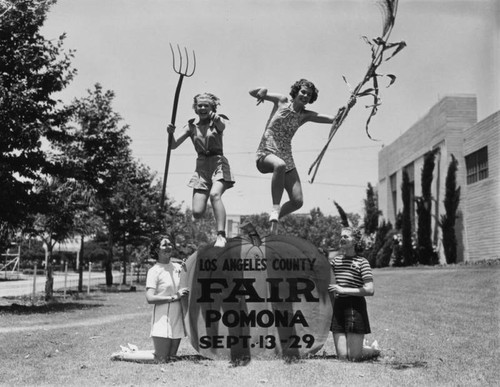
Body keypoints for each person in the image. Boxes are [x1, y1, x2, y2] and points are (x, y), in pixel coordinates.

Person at [249, 79, 354, 232]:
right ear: (296, 91)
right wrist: (262, 90)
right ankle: (275, 208)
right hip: (266, 152)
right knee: (279, 165)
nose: (305, 95)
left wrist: (348, 107)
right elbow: (252, 93)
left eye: (309, 95)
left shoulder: (305, 115)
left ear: (311, 99)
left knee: (297, 201)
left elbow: (334, 120)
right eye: (303, 92)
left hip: (286, 155)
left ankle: (274, 220)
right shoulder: (281, 101)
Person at [167, 93, 234, 247]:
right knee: (197, 212)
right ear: (195, 108)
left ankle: (221, 235)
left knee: (215, 194)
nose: (203, 108)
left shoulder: (217, 121)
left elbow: (222, 126)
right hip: (201, 168)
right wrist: (170, 134)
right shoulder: (191, 127)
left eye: (206, 105)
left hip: (218, 163)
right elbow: (173, 145)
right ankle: (214, 224)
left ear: (212, 108)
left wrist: (216, 118)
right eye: (200, 105)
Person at [328, 226, 379, 361]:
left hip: (355, 306)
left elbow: (369, 290)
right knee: (343, 357)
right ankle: (360, 345)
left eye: (346, 236)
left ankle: (372, 351)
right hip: (339, 306)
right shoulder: (335, 261)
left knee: (354, 358)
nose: (342, 239)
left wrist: (343, 290)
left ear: (355, 241)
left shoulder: (362, 262)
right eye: (341, 236)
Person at [145, 236, 190, 362]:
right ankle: (124, 355)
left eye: (170, 244)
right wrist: (174, 297)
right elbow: (150, 298)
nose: (168, 247)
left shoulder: (178, 267)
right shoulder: (154, 271)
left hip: (177, 317)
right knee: (161, 358)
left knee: (171, 358)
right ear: (156, 250)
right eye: (164, 245)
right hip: (162, 318)